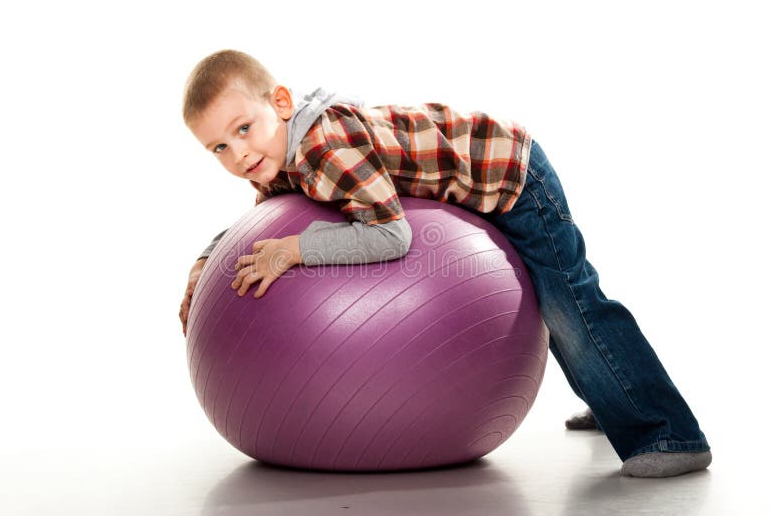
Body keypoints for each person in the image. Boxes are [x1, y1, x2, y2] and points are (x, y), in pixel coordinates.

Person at [177, 50, 711, 478]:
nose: (238, 155)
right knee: (563, 308)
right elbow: (266, 216)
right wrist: (206, 262)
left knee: (571, 304)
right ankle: (617, 394)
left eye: (243, 129)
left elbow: (390, 234)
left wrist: (295, 249)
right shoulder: (279, 157)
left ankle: (666, 432)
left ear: (283, 102)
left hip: (509, 177)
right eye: (218, 147)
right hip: (478, 181)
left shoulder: (323, 148)